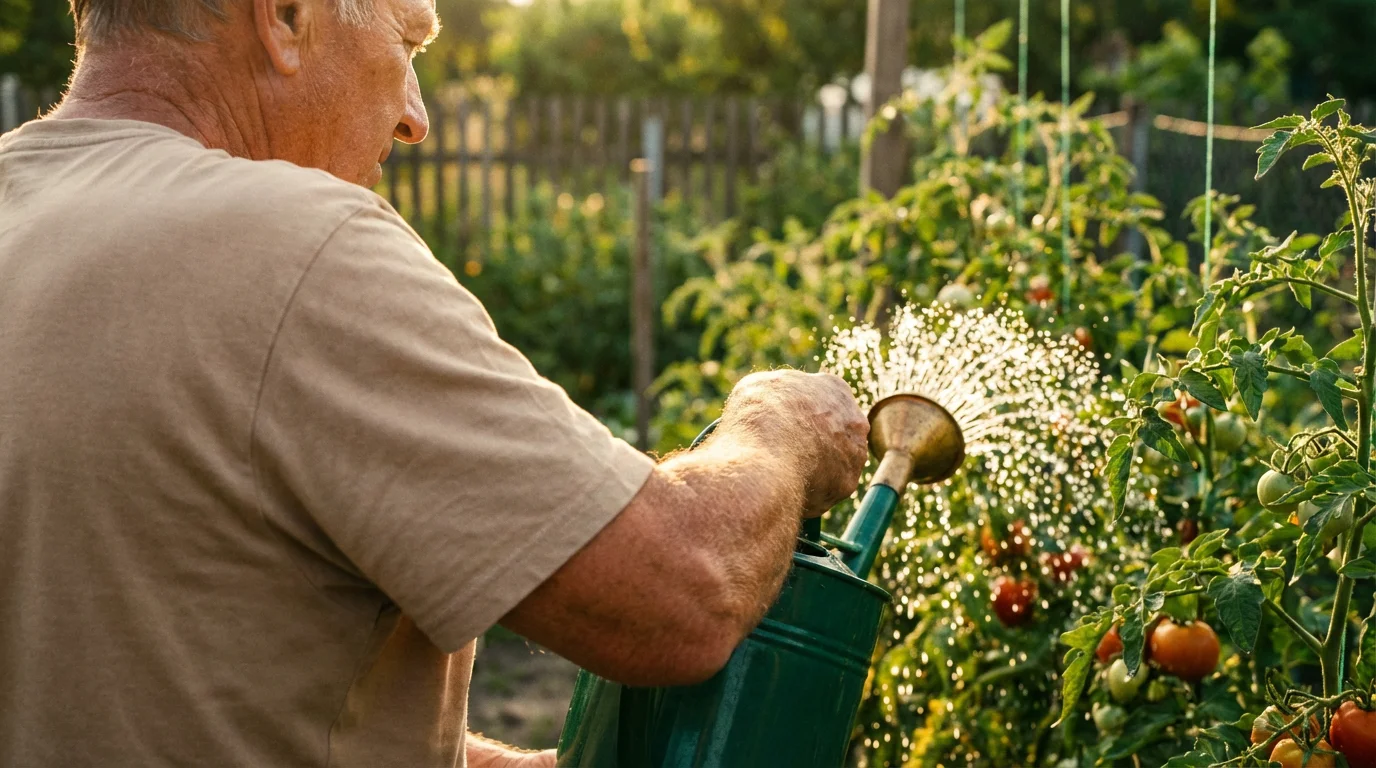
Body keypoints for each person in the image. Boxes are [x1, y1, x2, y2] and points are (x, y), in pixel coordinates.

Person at [0, 0, 871, 765]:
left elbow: (141, 673)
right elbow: (683, 591)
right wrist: (777, 425)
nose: (417, 118)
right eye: (408, 42)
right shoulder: (295, 243)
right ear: (287, 16)